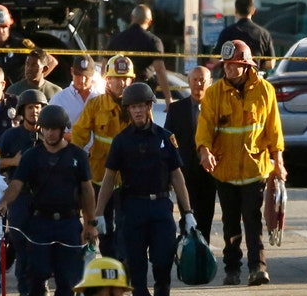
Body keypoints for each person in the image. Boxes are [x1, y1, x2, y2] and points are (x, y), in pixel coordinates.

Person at [195, 40, 286, 286]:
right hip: (224, 172)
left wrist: (278, 160)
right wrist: (204, 151)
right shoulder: (214, 94)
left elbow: (273, 129)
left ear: (246, 65)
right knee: (230, 223)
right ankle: (232, 269)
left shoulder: (265, 90)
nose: (228, 69)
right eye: (226, 64)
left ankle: (258, 268)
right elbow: (204, 127)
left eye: (234, 65)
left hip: (255, 169)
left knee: (253, 220)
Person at [94, 82, 195, 296]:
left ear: (149, 106)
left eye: (142, 106)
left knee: (163, 261)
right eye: (133, 107)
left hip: (160, 206)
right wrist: (99, 213)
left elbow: (177, 176)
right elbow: (109, 178)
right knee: (135, 268)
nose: (138, 111)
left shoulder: (165, 137)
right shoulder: (121, 141)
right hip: (132, 208)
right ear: (128, 110)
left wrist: (188, 213)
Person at [0, 105, 99, 296]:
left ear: (62, 129)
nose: (50, 133)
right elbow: (17, 184)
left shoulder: (78, 156)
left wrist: (90, 223)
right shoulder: (31, 156)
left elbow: (87, 191)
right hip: (39, 224)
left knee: (68, 281)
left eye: (54, 128)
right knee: (36, 277)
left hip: (69, 224)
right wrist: (4, 202)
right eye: (46, 128)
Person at [71, 54, 135, 260]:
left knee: (127, 229)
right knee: (104, 228)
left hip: (129, 181)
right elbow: (78, 137)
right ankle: (110, 268)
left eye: (126, 78)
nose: (122, 83)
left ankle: (124, 269)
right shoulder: (95, 105)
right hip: (99, 179)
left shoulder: (138, 107)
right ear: (108, 80)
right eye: (117, 78)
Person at [0, 89, 48, 296]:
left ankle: (40, 286)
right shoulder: (11, 135)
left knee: (42, 248)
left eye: (39, 107)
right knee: (22, 246)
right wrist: (13, 162)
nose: (35, 111)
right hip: (19, 198)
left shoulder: (50, 133)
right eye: (30, 107)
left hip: (45, 198)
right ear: (22, 110)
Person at [164, 66, 217, 244]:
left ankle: (204, 256)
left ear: (210, 83)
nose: (198, 84)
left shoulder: (217, 108)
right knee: (186, 218)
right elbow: (168, 141)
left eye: (202, 80)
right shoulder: (176, 109)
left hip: (210, 173)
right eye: (194, 79)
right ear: (188, 82)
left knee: (206, 219)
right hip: (184, 173)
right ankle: (187, 254)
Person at [0, 3, 57, 85]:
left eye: (4, 26)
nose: (1, 31)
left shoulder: (21, 43)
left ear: (9, 26)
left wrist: (28, 84)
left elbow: (51, 61)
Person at [106, 4, 172, 107]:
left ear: (132, 18)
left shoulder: (118, 39)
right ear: (150, 21)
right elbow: (159, 69)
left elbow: (105, 66)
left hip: (119, 93)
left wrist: (106, 92)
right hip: (142, 93)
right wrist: (168, 98)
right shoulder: (153, 41)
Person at [212, 0, 276, 71]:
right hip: (254, 79)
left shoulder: (227, 32)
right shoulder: (264, 34)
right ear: (253, 11)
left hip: (232, 80)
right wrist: (256, 64)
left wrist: (229, 64)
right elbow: (271, 63)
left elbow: (215, 60)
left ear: (235, 11)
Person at [49, 54, 102, 142]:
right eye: (78, 75)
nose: (82, 80)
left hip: (98, 154)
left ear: (93, 75)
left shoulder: (102, 98)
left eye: (86, 76)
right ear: (72, 71)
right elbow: (48, 129)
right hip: (69, 152)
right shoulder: (58, 100)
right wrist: (69, 136)